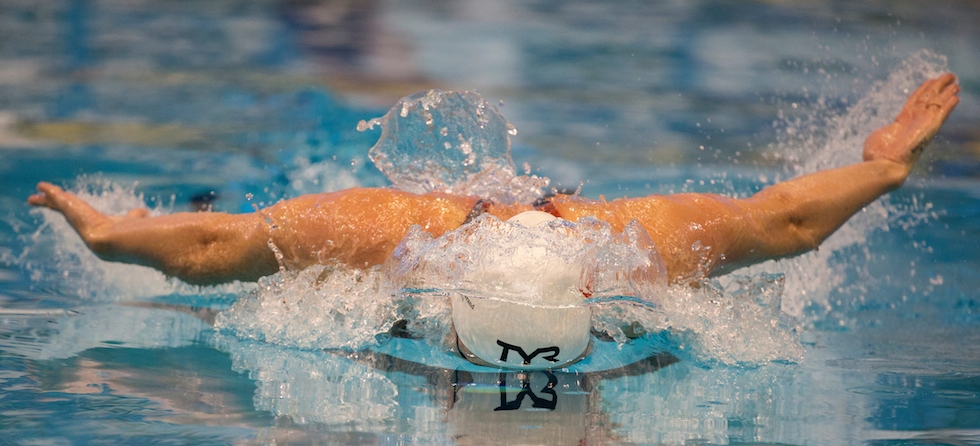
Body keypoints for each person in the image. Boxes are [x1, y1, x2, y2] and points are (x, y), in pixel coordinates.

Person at [28, 74, 958, 290]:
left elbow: (788, 221)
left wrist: (885, 166)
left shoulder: (623, 249)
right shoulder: (392, 231)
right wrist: (108, 236)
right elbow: (217, 243)